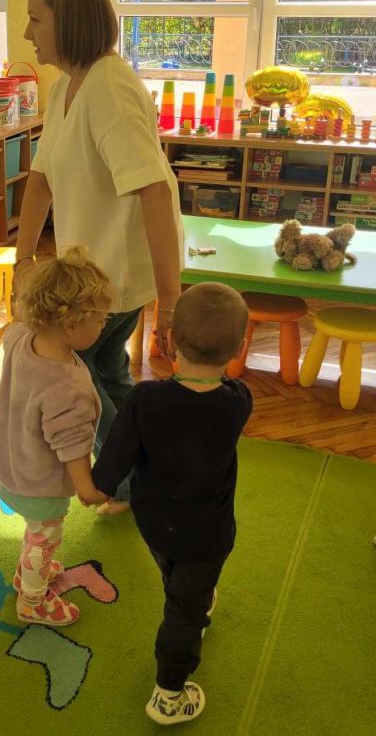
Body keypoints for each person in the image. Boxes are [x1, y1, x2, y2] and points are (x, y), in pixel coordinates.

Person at [13, 0, 184, 515]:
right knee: (105, 373)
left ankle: (133, 482)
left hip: (113, 279)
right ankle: (150, 470)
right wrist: (23, 260)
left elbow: (154, 190)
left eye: (36, 19)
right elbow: (41, 179)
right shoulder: (67, 84)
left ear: (69, 19)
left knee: (76, 378)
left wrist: (170, 298)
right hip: (88, 275)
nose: (27, 32)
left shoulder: (109, 87)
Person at [90, 282, 253, 725]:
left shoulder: (144, 399)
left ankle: (187, 590)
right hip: (208, 534)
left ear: (169, 340)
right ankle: (169, 694)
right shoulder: (238, 401)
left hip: (155, 522)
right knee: (184, 612)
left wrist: (95, 486)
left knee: (177, 577)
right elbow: (212, 396)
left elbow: (112, 465)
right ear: (241, 348)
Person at [0, 247, 109, 627]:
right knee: (45, 537)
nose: (104, 326)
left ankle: (31, 570)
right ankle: (32, 600)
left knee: (37, 533)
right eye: (101, 320)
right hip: (41, 482)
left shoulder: (20, 337)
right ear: (71, 325)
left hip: (12, 463)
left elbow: (16, 324)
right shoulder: (67, 387)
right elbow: (72, 445)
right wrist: (87, 488)